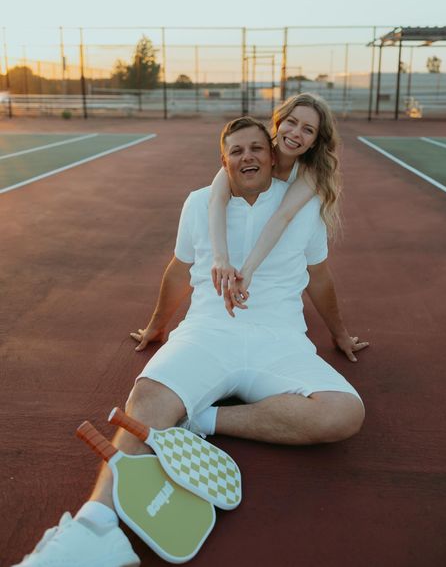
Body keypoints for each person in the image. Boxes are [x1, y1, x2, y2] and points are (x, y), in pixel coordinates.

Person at [14, 117, 366, 567]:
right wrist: (157, 325)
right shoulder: (201, 202)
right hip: (209, 330)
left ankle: (200, 419)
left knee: (344, 411)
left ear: (272, 153)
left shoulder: (303, 205)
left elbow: (319, 277)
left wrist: (338, 332)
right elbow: (179, 270)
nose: (247, 157)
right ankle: (96, 526)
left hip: (280, 341)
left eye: (256, 147)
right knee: (148, 393)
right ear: (223, 160)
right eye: (236, 150)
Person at [208, 95, 359, 361]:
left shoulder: (311, 171)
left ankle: (329, 326)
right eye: (292, 122)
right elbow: (217, 197)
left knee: (307, 272)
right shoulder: (254, 149)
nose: (296, 133)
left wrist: (248, 270)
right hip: (251, 230)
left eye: (308, 130)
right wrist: (221, 259)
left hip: (279, 240)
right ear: (279, 121)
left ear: (315, 140)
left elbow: (283, 216)